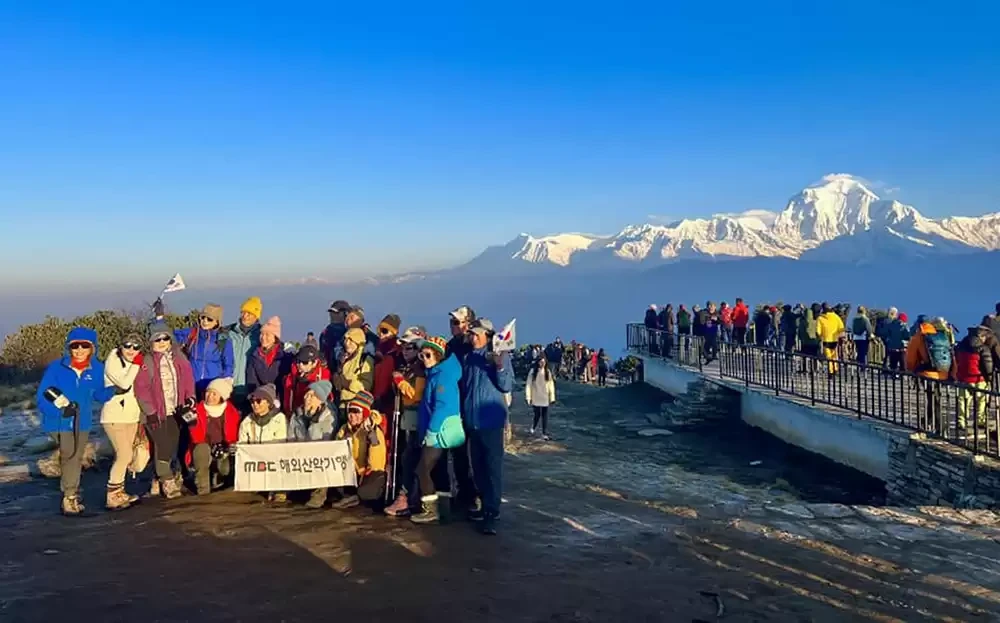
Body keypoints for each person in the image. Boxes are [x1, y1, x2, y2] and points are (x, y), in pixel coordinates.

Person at [36, 327, 117, 515]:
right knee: (70, 455)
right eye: (75, 346)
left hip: (83, 421)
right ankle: (69, 497)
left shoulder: (97, 369)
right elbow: (42, 396)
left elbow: (98, 394)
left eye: (84, 345)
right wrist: (59, 411)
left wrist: (113, 390)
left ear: (92, 348)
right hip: (59, 421)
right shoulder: (57, 368)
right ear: (69, 347)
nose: (79, 350)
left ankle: (70, 493)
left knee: (74, 456)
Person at [461, 319, 513, 535]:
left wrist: (499, 366)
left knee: (492, 468)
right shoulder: (469, 357)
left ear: (487, 335)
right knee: (479, 468)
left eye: (476, 334)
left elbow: (506, 385)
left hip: (491, 421)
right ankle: (484, 507)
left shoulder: (497, 355)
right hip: (473, 421)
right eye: (471, 334)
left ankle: (492, 512)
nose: (473, 337)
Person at [135, 322, 197, 500]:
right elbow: (141, 388)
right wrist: (150, 410)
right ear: (151, 342)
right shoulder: (147, 361)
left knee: (171, 446)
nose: (162, 342)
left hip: (176, 410)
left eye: (165, 338)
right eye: (157, 339)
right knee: (162, 446)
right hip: (156, 413)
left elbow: (188, 382)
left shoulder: (180, 359)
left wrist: (190, 399)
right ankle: (167, 480)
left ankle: (157, 479)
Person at [410, 336, 464, 525]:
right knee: (440, 470)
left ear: (438, 356)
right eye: (421, 355)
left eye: (427, 355)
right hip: (441, 430)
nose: (423, 358)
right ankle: (444, 509)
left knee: (422, 469)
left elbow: (443, 406)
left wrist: (431, 432)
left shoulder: (442, 376)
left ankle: (430, 510)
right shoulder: (436, 373)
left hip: (439, 431)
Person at [384, 326, 428, 517]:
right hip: (406, 417)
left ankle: (408, 498)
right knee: (406, 457)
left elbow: (415, 395)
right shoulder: (409, 369)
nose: (405, 351)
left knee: (412, 458)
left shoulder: (420, 371)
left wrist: (400, 382)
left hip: (415, 417)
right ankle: (409, 498)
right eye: (404, 347)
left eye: (410, 347)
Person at [100, 333, 145, 510]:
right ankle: (112, 496)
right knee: (124, 454)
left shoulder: (135, 362)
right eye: (128, 346)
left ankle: (121, 491)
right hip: (114, 416)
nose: (131, 350)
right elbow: (125, 383)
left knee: (126, 455)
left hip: (132, 415)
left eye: (136, 347)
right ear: (121, 346)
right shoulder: (112, 361)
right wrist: (137, 364)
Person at [445, 305, 478, 511]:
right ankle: (463, 493)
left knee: (475, 454)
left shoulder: (475, 347)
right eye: (452, 322)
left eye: (457, 322)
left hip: (473, 406)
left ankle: (476, 495)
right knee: (458, 453)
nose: (453, 326)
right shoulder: (450, 346)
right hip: (455, 406)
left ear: (468, 325)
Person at [332, 390, 388, 510]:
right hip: (350, 470)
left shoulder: (372, 431)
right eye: (350, 411)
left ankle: (357, 496)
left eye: (356, 412)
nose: (352, 415)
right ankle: (350, 495)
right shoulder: (344, 429)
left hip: (368, 472)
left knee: (367, 491)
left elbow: (376, 461)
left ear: (365, 414)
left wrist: (364, 471)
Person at [289, 379, 338, 509]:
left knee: (322, 465)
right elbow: (291, 437)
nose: (307, 398)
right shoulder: (297, 414)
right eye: (307, 394)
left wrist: (312, 422)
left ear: (321, 400)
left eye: (312, 395)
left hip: (318, 458)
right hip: (299, 455)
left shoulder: (329, 417)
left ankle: (318, 497)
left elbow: (325, 443)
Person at [187, 378, 240, 495]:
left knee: (226, 467)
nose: (210, 396)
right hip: (205, 447)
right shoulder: (198, 409)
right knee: (201, 449)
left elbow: (233, 437)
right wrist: (192, 424)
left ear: (222, 396)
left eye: (214, 393)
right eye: (208, 392)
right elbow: (197, 438)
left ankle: (226, 483)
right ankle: (203, 489)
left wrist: (225, 447)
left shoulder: (231, 412)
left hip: (223, 449)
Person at [239, 383, 289, 502]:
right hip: (255, 463)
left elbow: (280, 446)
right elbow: (242, 446)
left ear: (268, 402)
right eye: (252, 402)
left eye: (259, 401)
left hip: (274, 461)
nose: (255, 404)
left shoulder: (280, 419)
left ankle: (279, 490)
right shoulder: (246, 422)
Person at [906, 317, 956, 433]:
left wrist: (912, 370)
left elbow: (911, 358)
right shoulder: (940, 335)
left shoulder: (919, 337)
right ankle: (929, 420)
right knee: (934, 398)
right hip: (943, 372)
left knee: (933, 399)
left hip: (928, 373)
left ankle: (940, 427)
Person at [175, 303, 235, 395]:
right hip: (191, 384)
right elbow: (170, 336)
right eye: (202, 317)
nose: (205, 321)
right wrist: (159, 320)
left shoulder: (223, 338)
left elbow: (228, 363)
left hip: (212, 386)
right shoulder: (193, 333)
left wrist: (225, 382)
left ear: (217, 322)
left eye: (209, 319)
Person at [955, 326, 994, 435]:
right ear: (980, 336)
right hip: (978, 378)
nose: (985, 339)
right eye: (984, 337)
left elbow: (956, 359)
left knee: (963, 401)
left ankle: (961, 422)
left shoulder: (961, 345)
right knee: (981, 400)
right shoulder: (983, 348)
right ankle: (980, 420)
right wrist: (989, 378)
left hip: (963, 378)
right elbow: (988, 365)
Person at [227, 296, 262, 408]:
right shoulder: (229, 332)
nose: (245, 316)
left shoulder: (261, 335)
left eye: (249, 313)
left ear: (256, 316)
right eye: (243, 312)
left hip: (249, 387)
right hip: (228, 386)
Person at [372, 314, 403, 427]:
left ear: (394, 332)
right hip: (376, 398)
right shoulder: (378, 350)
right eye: (379, 330)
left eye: (384, 331)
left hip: (389, 401)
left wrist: (388, 397)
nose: (381, 334)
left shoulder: (397, 351)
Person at [333, 327, 375, 412]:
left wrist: (349, 384)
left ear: (359, 343)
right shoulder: (343, 358)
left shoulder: (365, 360)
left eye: (351, 340)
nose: (347, 343)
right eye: (345, 340)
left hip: (357, 406)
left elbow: (366, 385)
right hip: (341, 404)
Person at [282, 344, 331, 417]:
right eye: (298, 361)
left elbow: (329, 399)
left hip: (316, 414)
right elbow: (288, 401)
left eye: (305, 362)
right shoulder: (292, 376)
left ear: (314, 363)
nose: (300, 365)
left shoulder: (323, 374)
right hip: (297, 415)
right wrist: (289, 415)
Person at [247, 316, 288, 395]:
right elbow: (251, 381)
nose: (263, 337)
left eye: (267, 334)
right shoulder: (254, 356)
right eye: (261, 334)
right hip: (259, 399)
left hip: (278, 400)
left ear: (275, 338)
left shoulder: (284, 357)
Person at [526, 355, 556, 439]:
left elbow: (551, 385)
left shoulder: (547, 372)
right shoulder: (533, 371)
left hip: (545, 396)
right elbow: (528, 384)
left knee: (545, 415)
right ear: (538, 362)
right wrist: (528, 397)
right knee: (537, 414)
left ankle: (544, 433)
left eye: (544, 362)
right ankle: (533, 427)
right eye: (541, 362)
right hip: (536, 396)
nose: (542, 364)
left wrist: (552, 397)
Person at [319, 300, 351, 371]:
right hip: (328, 374)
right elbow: (322, 354)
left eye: (336, 313)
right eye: (331, 312)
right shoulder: (325, 332)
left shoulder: (351, 333)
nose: (332, 315)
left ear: (345, 314)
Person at [817, 303, 846, 375]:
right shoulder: (836, 317)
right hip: (834, 339)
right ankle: (835, 368)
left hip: (826, 340)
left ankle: (831, 371)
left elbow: (818, 331)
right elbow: (841, 328)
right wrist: (840, 335)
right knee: (834, 355)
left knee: (828, 356)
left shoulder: (820, 318)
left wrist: (820, 336)